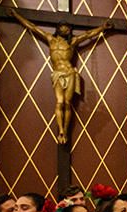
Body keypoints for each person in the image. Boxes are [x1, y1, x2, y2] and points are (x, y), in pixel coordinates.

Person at [9, 9, 113, 144]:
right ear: (59, 28)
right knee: (59, 102)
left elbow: (88, 35)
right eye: (65, 27)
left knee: (67, 103)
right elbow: (32, 27)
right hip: (57, 74)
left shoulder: (72, 42)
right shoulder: (50, 39)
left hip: (69, 73)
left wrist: (102, 28)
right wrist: (17, 16)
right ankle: (61, 131)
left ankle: (65, 129)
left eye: (69, 28)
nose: (68, 29)